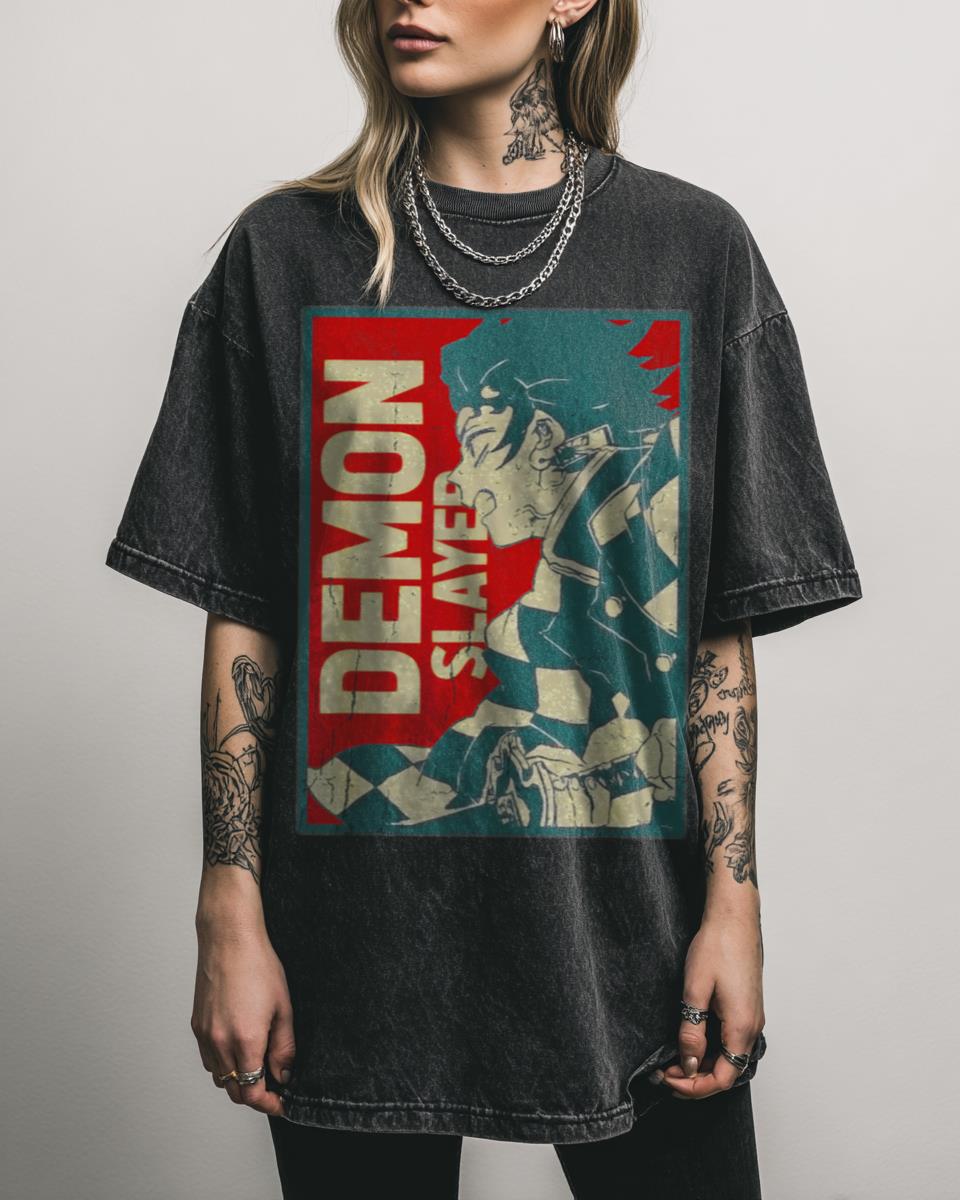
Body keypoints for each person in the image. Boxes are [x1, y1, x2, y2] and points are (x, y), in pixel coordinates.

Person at [103, 0, 864, 1196]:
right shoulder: (285, 253)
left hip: (631, 936)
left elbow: (713, 634)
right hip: (353, 949)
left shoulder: (693, 249)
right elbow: (245, 610)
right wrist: (228, 906)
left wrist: (735, 903)